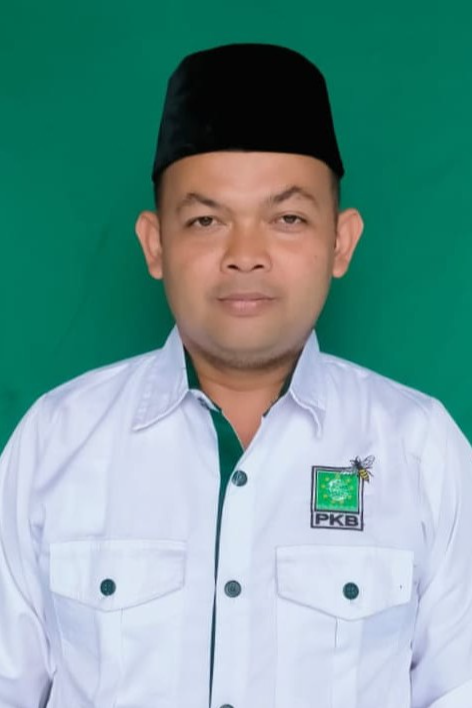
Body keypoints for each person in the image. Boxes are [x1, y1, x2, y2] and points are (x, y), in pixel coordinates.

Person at [0, 43, 471, 708]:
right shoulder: (56, 441)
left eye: (287, 219)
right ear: (155, 244)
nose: (245, 255)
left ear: (341, 241)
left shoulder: (421, 450)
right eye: (205, 220)